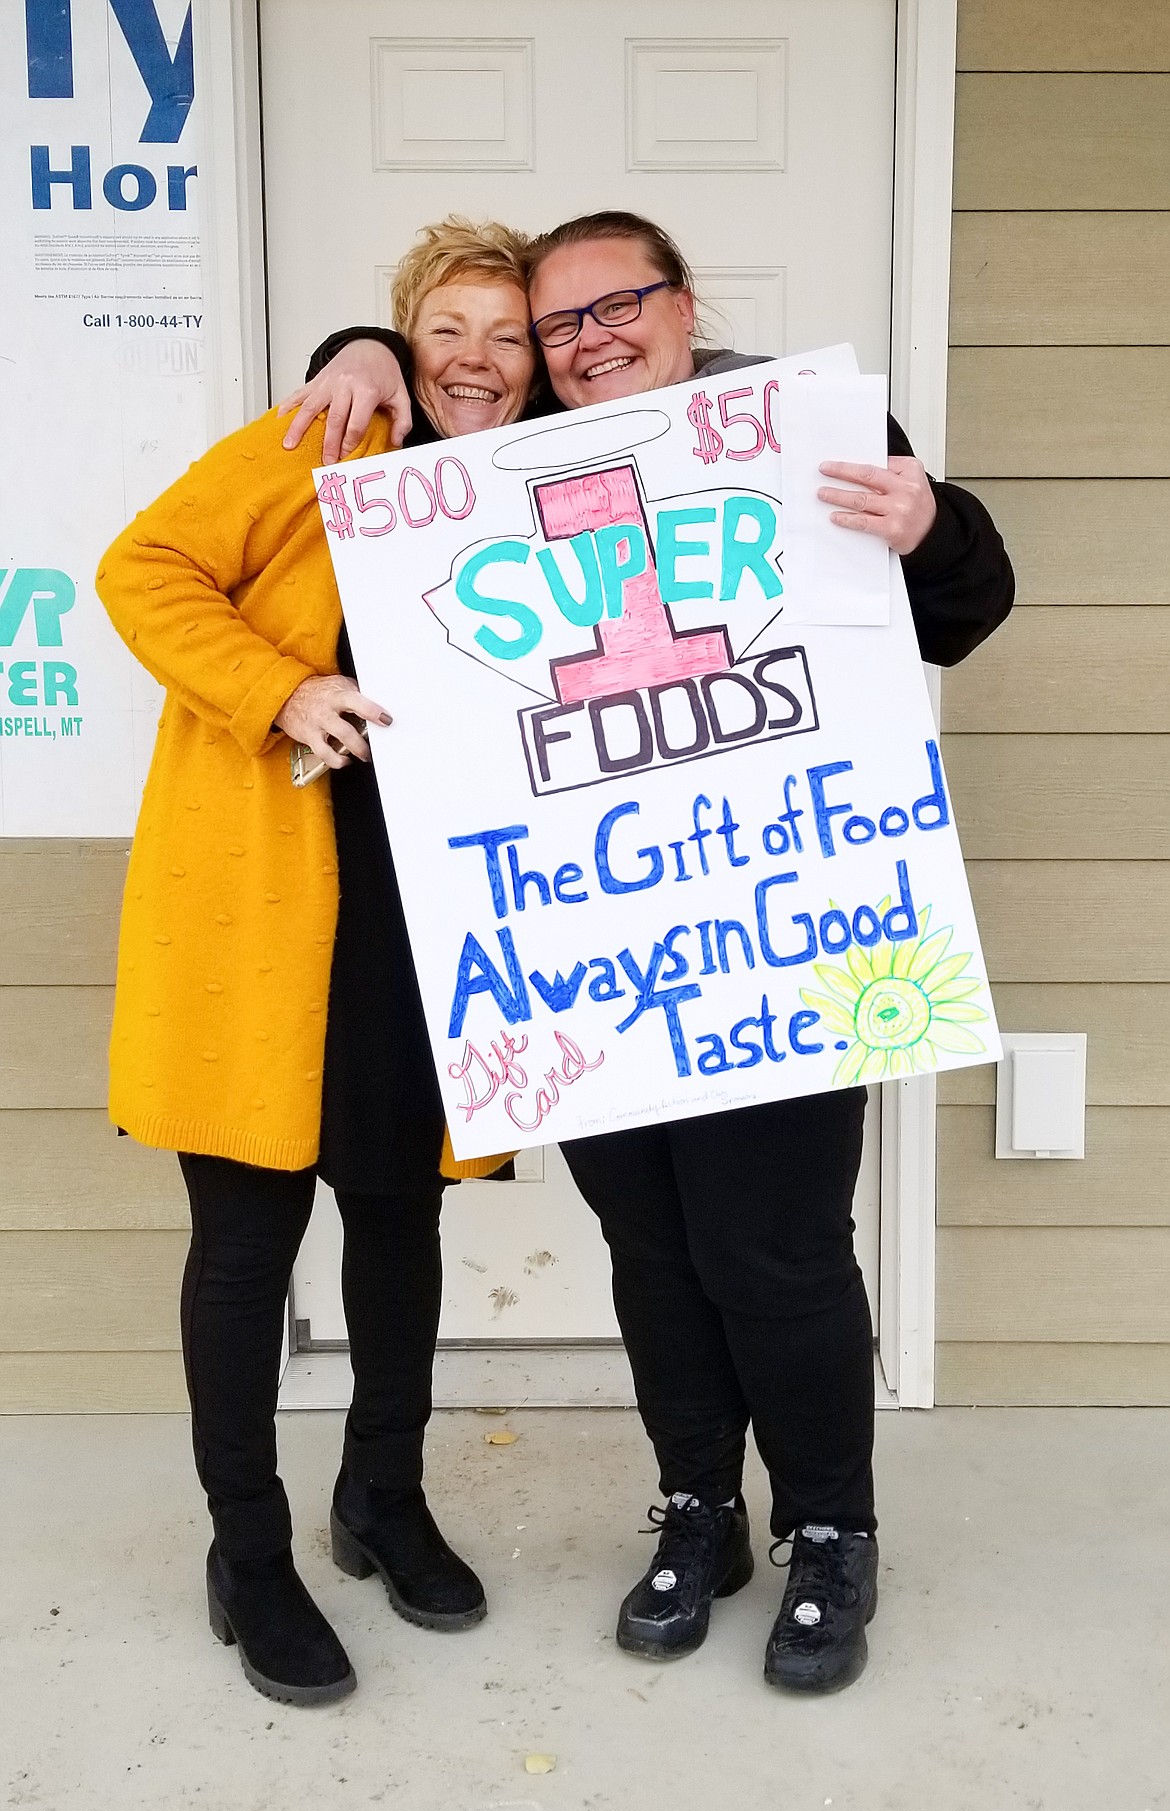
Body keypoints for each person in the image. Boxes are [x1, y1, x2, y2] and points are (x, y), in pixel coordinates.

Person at [283, 209, 1014, 1694]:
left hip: (780, 934)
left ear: (684, 303)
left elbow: (962, 604)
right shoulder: (519, 458)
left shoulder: (795, 430)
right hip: (600, 950)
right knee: (656, 1249)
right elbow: (427, 398)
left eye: (614, 306)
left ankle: (827, 1526)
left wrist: (929, 523)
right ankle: (698, 1511)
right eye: (558, 326)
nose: (583, 340)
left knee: (778, 1248)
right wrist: (351, 349)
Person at [96, 218, 539, 1707]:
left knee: (397, 1219)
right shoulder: (316, 438)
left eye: (509, 335)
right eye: (447, 328)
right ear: (401, 341)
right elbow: (139, 568)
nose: (476, 360)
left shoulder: (535, 486)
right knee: (242, 1245)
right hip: (267, 908)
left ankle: (381, 1498)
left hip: (429, 921)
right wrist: (276, 686)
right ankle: (249, 1549)